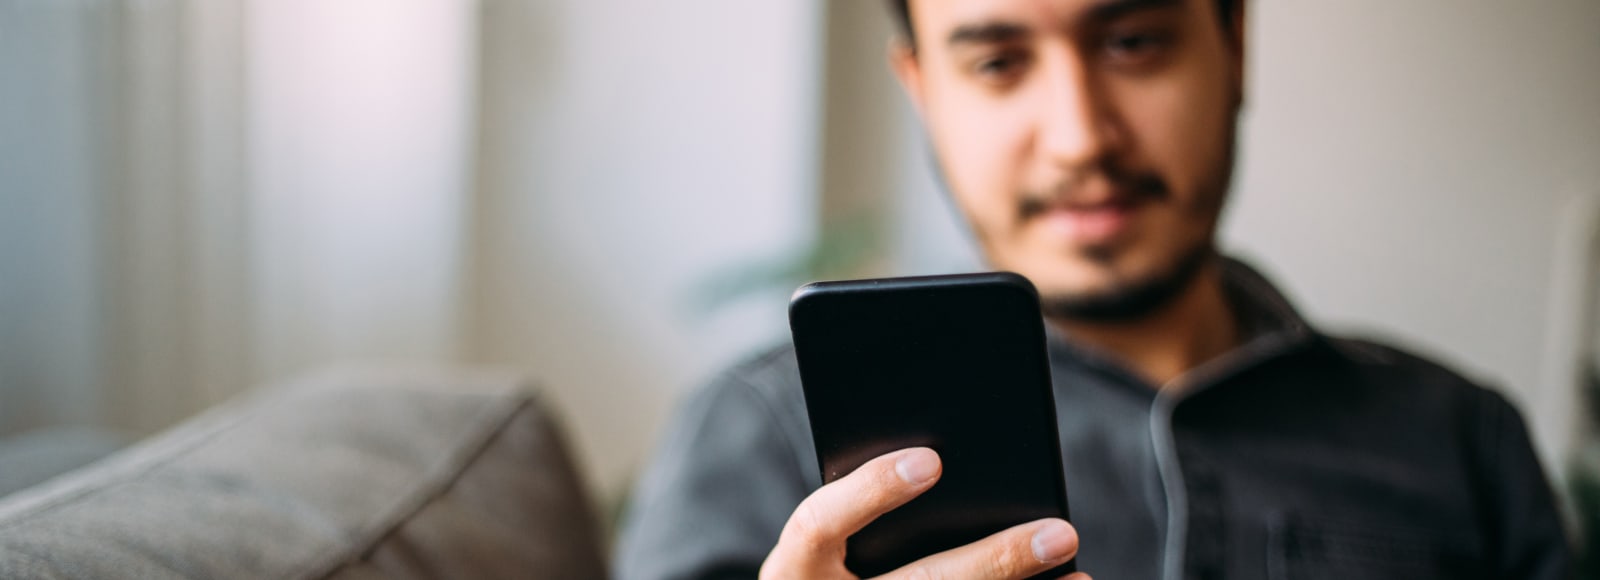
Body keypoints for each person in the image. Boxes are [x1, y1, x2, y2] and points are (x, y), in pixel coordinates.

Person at [615, 0, 1575, 578]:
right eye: (998, 63)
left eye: (1135, 42)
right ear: (922, 88)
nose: (1080, 135)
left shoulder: (1459, 440)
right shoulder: (755, 435)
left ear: (1234, 42)